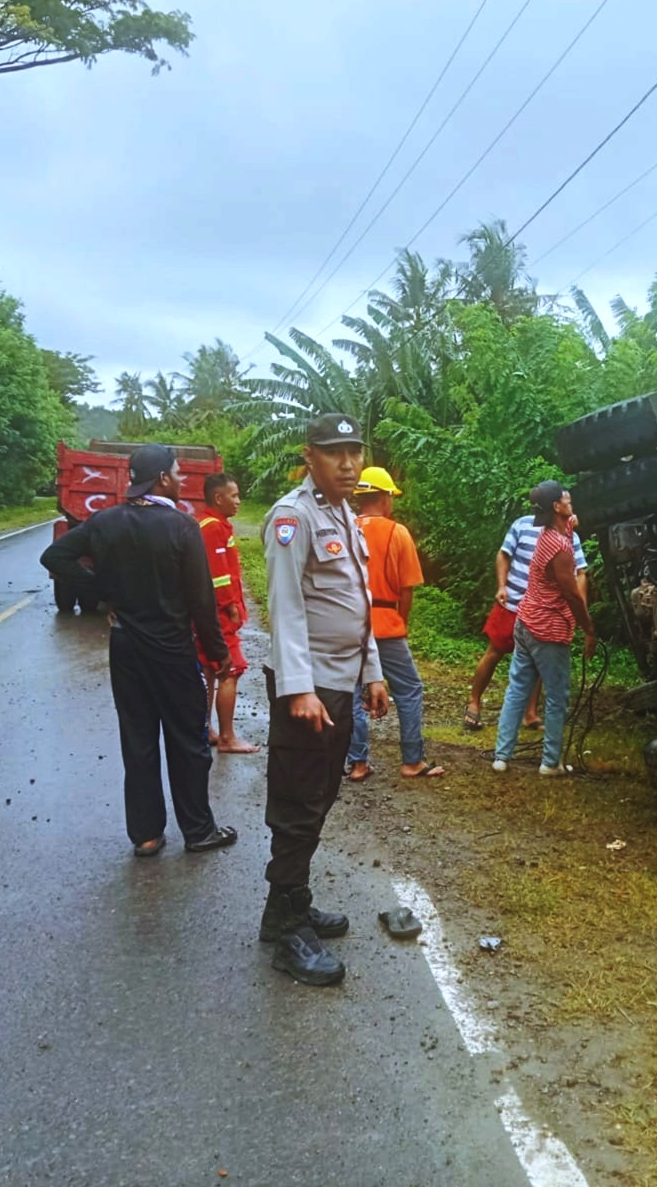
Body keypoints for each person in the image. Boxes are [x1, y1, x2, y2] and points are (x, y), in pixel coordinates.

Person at [40, 444, 238, 858]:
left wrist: (104, 592)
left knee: (138, 738)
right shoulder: (181, 528)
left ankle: (146, 835)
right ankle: (198, 831)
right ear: (163, 478)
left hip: (126, 645)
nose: (184, 480)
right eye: (179, 473)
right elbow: (202, 600)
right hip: (171, 647)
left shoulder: (105, 521)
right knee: (188, 741)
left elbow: (55, 556)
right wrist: (218, 652)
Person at [258, 414, 390, 988]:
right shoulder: (293, 516)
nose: (349, 463)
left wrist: (374, 672)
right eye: (335, 453)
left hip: (339, 682)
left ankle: (290, 904)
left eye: (354, 452)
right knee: (298, 803)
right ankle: (287, 931)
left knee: (320, 795)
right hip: (308, 689)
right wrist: (299, 688)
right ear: (309, 456)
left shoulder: (343, 513)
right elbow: (284, 606)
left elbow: (357, 601)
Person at [491, 481, 597, 777]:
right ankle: (550, 762)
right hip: (547, 628)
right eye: (565, 497)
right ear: (556, 507)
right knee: (557, 695)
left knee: (517, 689)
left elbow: (563, 532)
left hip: (525, 620)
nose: (569, 497)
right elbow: (572, 594)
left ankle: (502, 756)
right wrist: (588, 629)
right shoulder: (560, 548)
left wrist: (570, 525)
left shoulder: (549, 533)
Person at [345, 466, 442, 784]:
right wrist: (403, 622)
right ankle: (412, 761)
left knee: (353, 692)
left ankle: (358, 763)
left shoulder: (345, 528)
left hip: (350, 624)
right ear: (385, 497)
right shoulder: (397, 532)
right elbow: (406, 589)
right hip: (386, 624)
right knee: (410, 689)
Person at [464, 496, 588, 732]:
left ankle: (530, 714)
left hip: (544, 610)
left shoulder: (570, 538)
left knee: (539, 659)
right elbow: (503, 554)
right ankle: (474, 702)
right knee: (494, 652)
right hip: (512, 603)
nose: (572, 507)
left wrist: (577, 607)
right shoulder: (522, 525)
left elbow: (581, 572)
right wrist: (502, 586)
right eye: (567, 502)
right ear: (555, 506)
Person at [196, 471, 260, 755]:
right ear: (218, 498)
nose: (239, 501)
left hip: (209, 613)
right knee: (229, 671)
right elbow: (218, 575)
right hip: (219, 615)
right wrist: (231, 607)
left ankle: (206, 729)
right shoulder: (212, 528)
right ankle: (227, 737)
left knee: (210, 670)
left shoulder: (212, 525)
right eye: (234, 496)